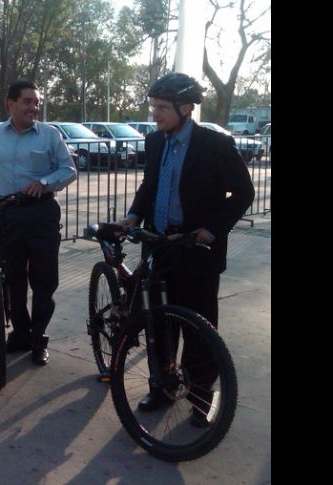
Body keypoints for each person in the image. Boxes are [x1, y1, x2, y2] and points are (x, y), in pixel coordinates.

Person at [118, 72, 254, 426]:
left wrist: (212, 229)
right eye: (153, 107)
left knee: (199, 328)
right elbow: (151, 184)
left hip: (196, 248)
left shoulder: (215, 145)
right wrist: (133, 217)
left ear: (186, 107)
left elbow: (244, 193)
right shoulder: (155, 142)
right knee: (159, 324)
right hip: (160, 245)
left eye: (162, 108)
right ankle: (161, 387)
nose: (155, 114)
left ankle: (199, 398)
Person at [0, 80, 76, 366]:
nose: (34, 107)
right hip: (9, 215)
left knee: (45, 282)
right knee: (13, 280)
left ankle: (38, 339)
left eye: (37, 102)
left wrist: (44, 183)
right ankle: (20, 334)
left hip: (42, 213)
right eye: (27, 101)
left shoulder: (49, 135)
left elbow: (69, 170)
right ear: (11, 104)